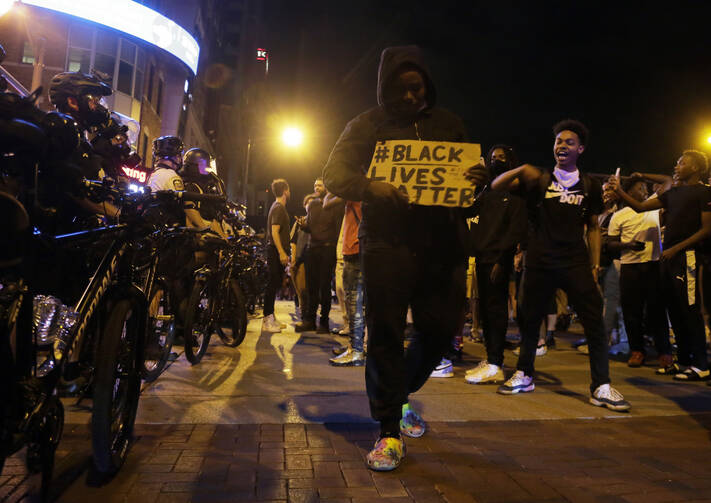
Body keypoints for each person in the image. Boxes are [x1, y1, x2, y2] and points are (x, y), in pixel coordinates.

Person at [323, 45, 486, 471]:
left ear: (427, 85)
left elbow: (467, 201)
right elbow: (334, 175)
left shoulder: (450, 125)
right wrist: (371, 186)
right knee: (385, 335)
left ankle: (398, 395)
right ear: (384, 89)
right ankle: (389, 429)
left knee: (439, 332)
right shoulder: (366, 125)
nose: (410, 98)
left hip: (443, 246)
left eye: (416, 88)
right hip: (388, 245)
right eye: (400, 90)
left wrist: (477, 183)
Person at [491, 119, 630, 412]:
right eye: (558, 142)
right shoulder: (538, 179)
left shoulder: (590, 185)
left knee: (593, 320)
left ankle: (601, 385)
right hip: (540, 260)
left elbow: (593, 227)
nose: (562, 146)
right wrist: (518, 169)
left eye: (569, 142)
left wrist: (593, 267)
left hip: (575, 262)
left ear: (580, 149)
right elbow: (495, 185)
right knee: (530, 320)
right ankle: (525, 374)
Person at [609, 151, 711, 380]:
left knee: (690, 311)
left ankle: (702, 364)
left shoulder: (703, 192)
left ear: (695, 168)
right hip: (669, 260)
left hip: (687, 257)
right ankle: (684, 361)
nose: (677, 166)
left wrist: (676, 248)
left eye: (682, 163)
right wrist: (619, 191)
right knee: (674, 310)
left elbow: (706, 229)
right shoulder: (673, 193)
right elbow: (639, 207)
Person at [465, 145, 526, 384]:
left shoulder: (516, 193)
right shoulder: (487, 191)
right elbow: (469, 211)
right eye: (493, 158)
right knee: (487, 313)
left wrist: (503, 260)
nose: (496, 161)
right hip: (482, 256)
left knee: (496, 310)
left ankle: (495, 362)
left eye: (501, 157)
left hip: (497, 259)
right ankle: (491, 357)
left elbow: (515, 229)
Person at [607, 174, 671, 368]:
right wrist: (627, 244)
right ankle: (637, 350)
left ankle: (664, 351)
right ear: (629, 191)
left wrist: (643, 174)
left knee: (657, 311)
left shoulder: (653, 205)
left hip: (653, 265)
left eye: (646, 188)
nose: (646, 191)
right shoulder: (618, 216)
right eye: (641, 187)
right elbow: (609, 244)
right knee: (631, 312)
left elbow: (668, 181)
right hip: (630, 268)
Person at [295, 179, 344, 333]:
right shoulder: (313, 205)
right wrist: (304, 226)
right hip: (312, 249)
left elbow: (337, 229)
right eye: (315, 185)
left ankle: (323, 323)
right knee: (311, 287)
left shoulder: (335, 205)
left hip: (327, 249)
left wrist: (336, 250)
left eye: (320, 185)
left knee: (324, 287)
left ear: (327, 187)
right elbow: (310, 227)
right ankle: (309, 321)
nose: (316, 187)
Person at [329, 199, 365, 366]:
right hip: (367, 248)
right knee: (363, 304)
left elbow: (327, 201)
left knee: (353, 303)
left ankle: (356, 350)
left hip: (354, 247)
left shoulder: (353, 189)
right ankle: (359, 347)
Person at [262, 179, 291, 333]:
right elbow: (274, 232)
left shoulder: (277, 206)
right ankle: (267, 319)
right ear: (285, 190)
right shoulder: (279, 207)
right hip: (274, 251)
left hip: (275, 250)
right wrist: (281, 252)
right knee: (271, 284)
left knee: (274, 284)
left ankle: (271, 317)